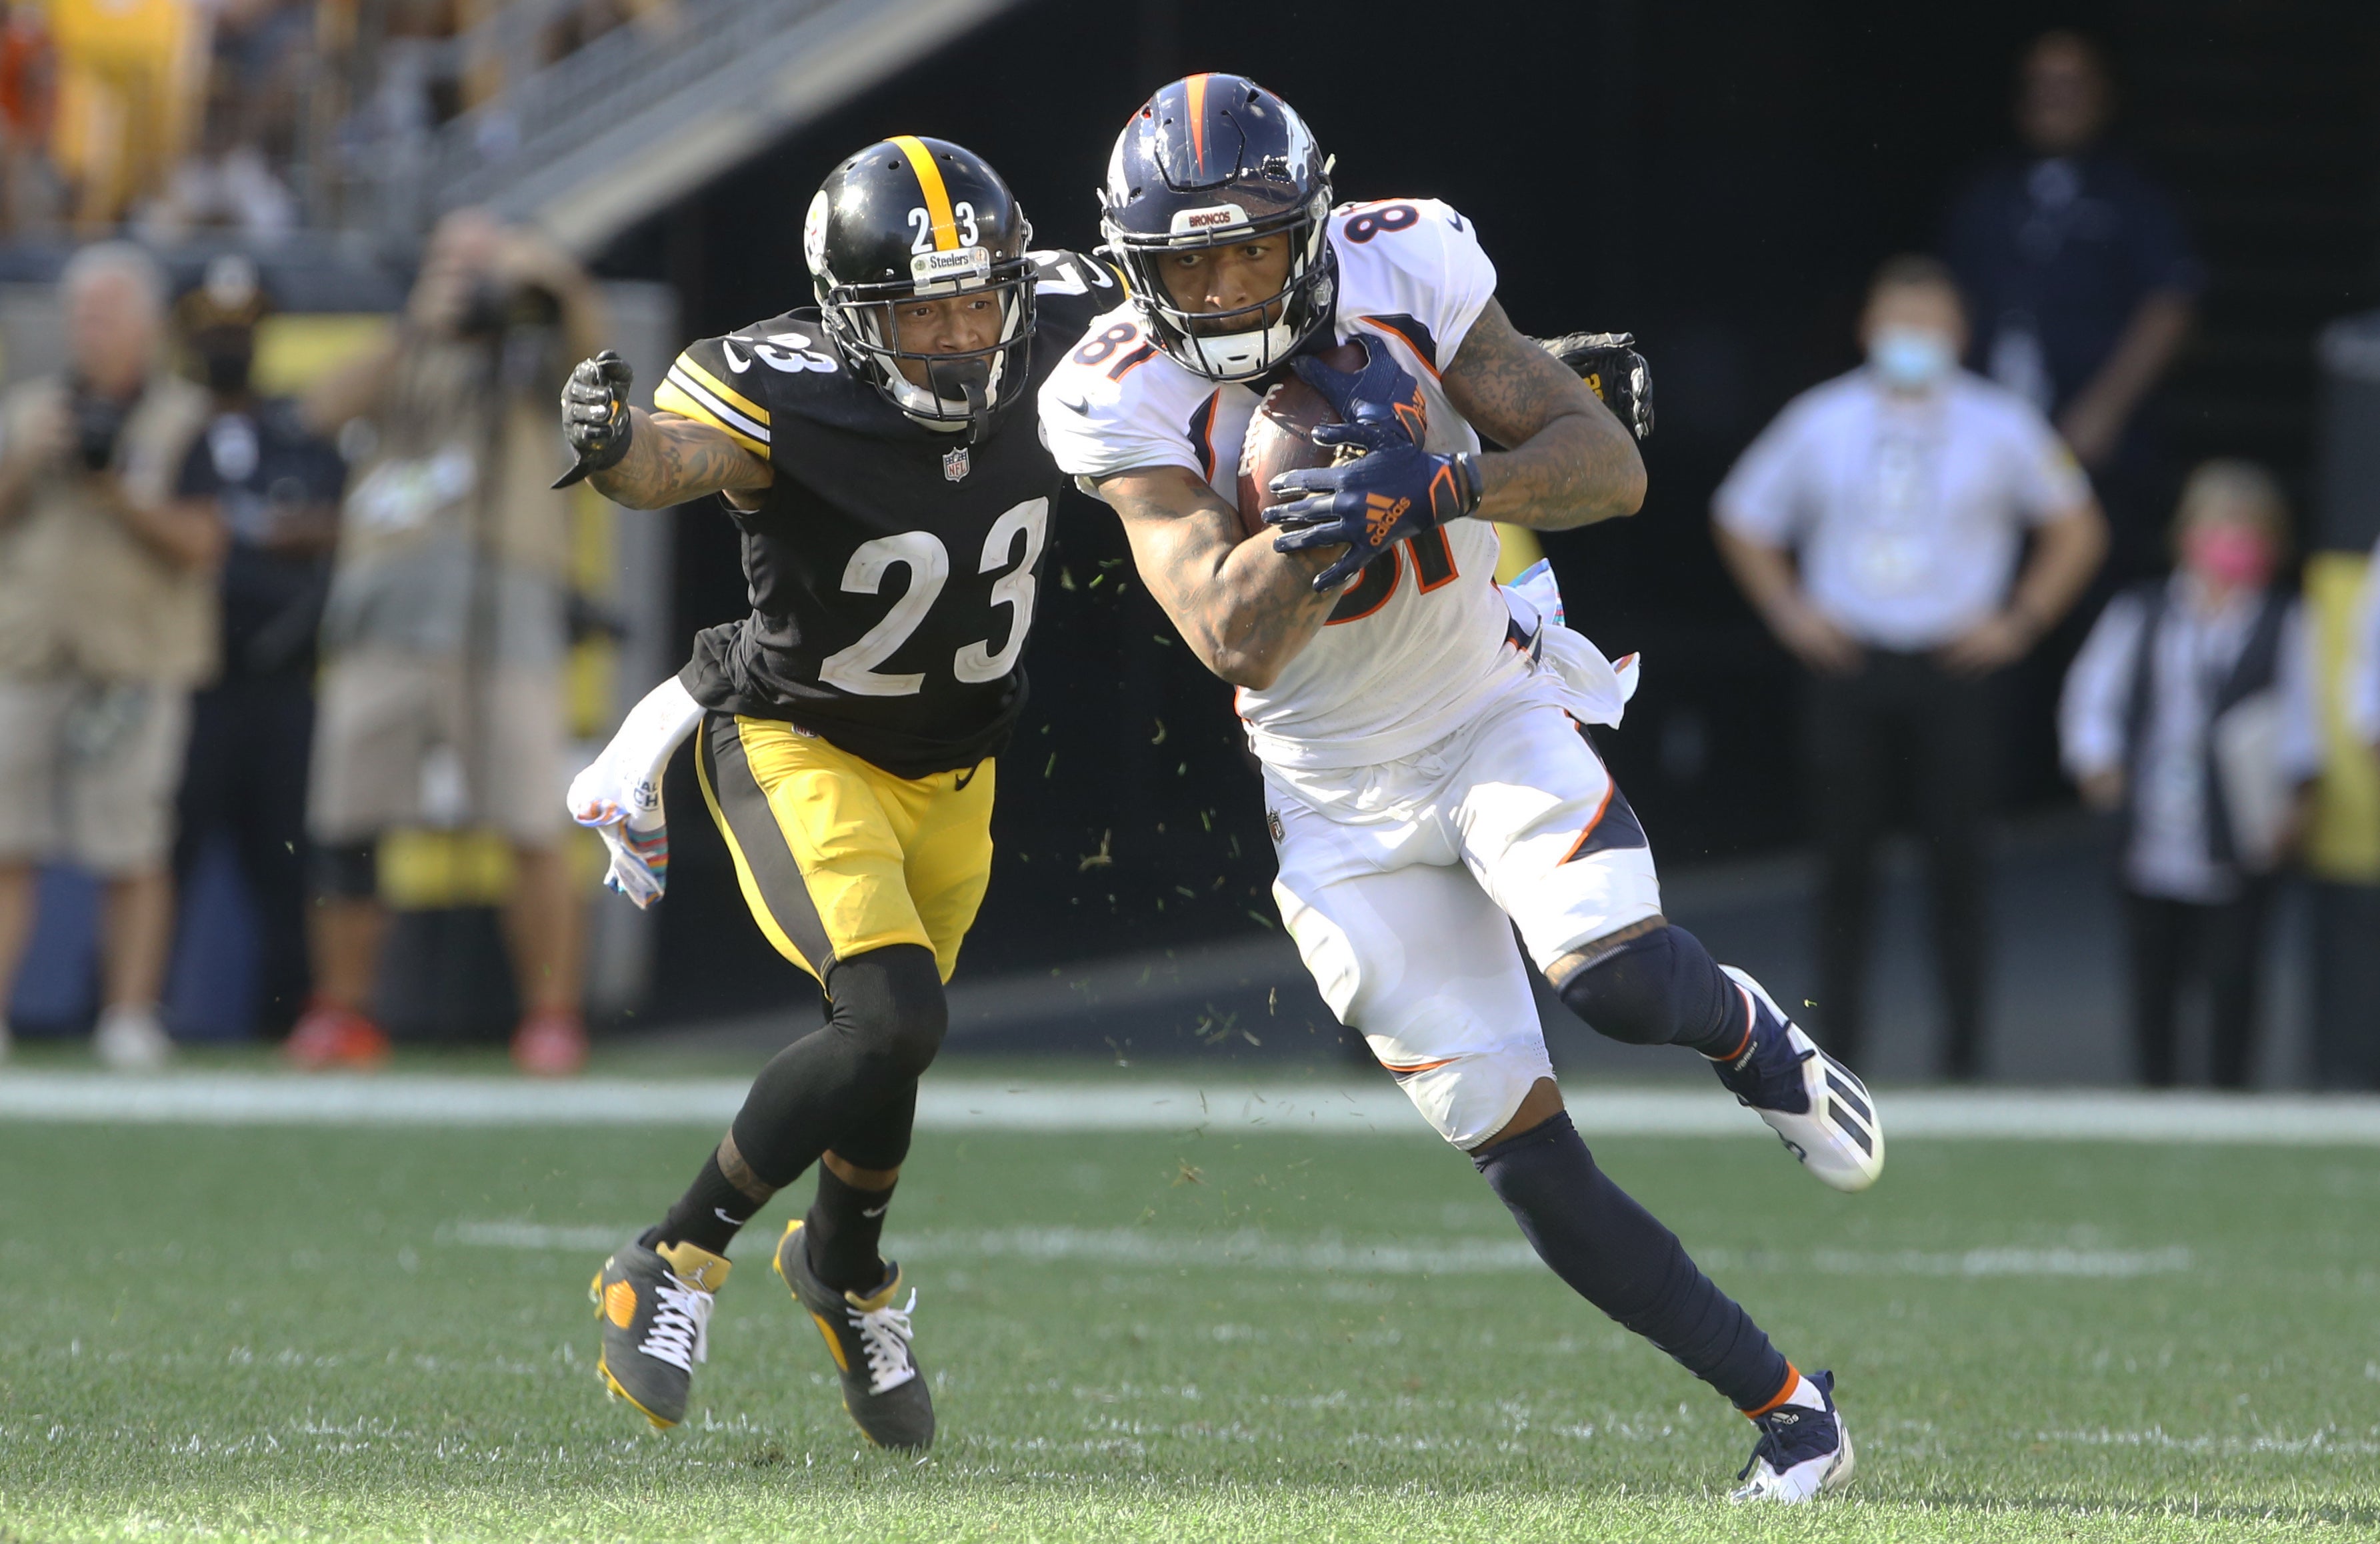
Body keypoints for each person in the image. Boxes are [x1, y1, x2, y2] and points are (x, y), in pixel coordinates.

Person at [1041, 73, 1876, 1505]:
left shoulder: (1408, 256)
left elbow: (1606, 468)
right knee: (1521, 1148)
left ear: (1313, 227)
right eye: (1192, 261)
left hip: (1487, 705)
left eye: (1253, 247)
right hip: (1334, 798)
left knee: (1611, 981)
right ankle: (1797, 1414)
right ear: (1139, 268)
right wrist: (1325, 521)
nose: (1229, 285)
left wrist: (1439, 484)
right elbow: (1226, 632)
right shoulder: (1112, 390)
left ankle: (1750, 1032)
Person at [557, 137, 1123, 1448]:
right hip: (797, 742)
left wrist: (1479, 374)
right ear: (850, 316)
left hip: (959, 763)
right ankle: (671, 1255)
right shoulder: (777, 380)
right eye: (919, 310)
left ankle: (846, 1272)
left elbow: (1241, 309)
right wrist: (617, 445)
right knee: (888, 1017)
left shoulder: (1073, 314)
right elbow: (675, 462)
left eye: (975, 300)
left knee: (892, 1041)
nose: (955, 332)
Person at [1713, 255, 2108, 1079]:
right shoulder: (1822, 417)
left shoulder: (2003, 423)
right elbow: (1742, 514)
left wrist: (2021, 622)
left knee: (1959, 864)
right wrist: (1790, 612)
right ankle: (1834, 1056)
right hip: (1850, 660)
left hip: (1955, 667)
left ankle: (1964, 1059)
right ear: (1868, 328)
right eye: (1899, 323)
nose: (1913, 340)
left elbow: (2078, 526)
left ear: (1960, 333)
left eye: (1930, 325)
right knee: (1841, 865)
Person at [291, 209, 604, 1075]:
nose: (473, 284)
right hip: (386, 611)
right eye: (456, 267)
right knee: (351, 818)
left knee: (529, 818)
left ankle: (551, 1016)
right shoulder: (404, 350)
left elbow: (604, 383)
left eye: (484, 267)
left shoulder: (538, 358)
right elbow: (319, 411)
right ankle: (341, 1010)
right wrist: (415, 328)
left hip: (506, 611)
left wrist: (551, 284)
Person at [0, 241, 221, 1067]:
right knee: (5, 843)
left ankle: (128, 1015)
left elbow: (204, 542)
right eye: (78, 313)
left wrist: (115, 493)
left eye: (103, 313)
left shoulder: (183, 416)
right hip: (26, 652)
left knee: (131, 845)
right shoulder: (28, 410)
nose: (86, 329)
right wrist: (32, 458)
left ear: (145, 324)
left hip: (135, 659)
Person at [2061, 463, 2321, 1087]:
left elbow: (2304, 714)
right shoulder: (2145, 610)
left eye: (2247, 530)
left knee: (2234, 976)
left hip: (2239, 825)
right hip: (2153, 817)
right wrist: (2099, 764)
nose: (2230, 543)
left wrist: (2296, 797)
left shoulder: (2284, 619)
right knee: (2153, 973)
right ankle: (2157, 1091)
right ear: (2187, 535)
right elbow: (2093, 694)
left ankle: (2231, 1094)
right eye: (2218, 526)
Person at [1945, 30, 2201, 581]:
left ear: (2103, 93)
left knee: (2095, 578)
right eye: (2040, 85)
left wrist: (2106, 407)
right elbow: (1950, 302)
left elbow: (2171, 301)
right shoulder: (1987, 193)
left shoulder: (2135, 194)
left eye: (2070, 84)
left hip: (2094, 436)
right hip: (1994, 430)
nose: (2054, 99)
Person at [170, 253, 345, 1041]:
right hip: (189, 673)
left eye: (241, 329)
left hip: (281, 673)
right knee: (165, 848)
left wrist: (298, 532)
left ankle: (288, 1018)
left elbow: (344, 519)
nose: (228, 344)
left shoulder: (298, 431)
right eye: (215, 330)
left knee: (287, 857)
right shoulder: (165, 429)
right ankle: (132, 1009)